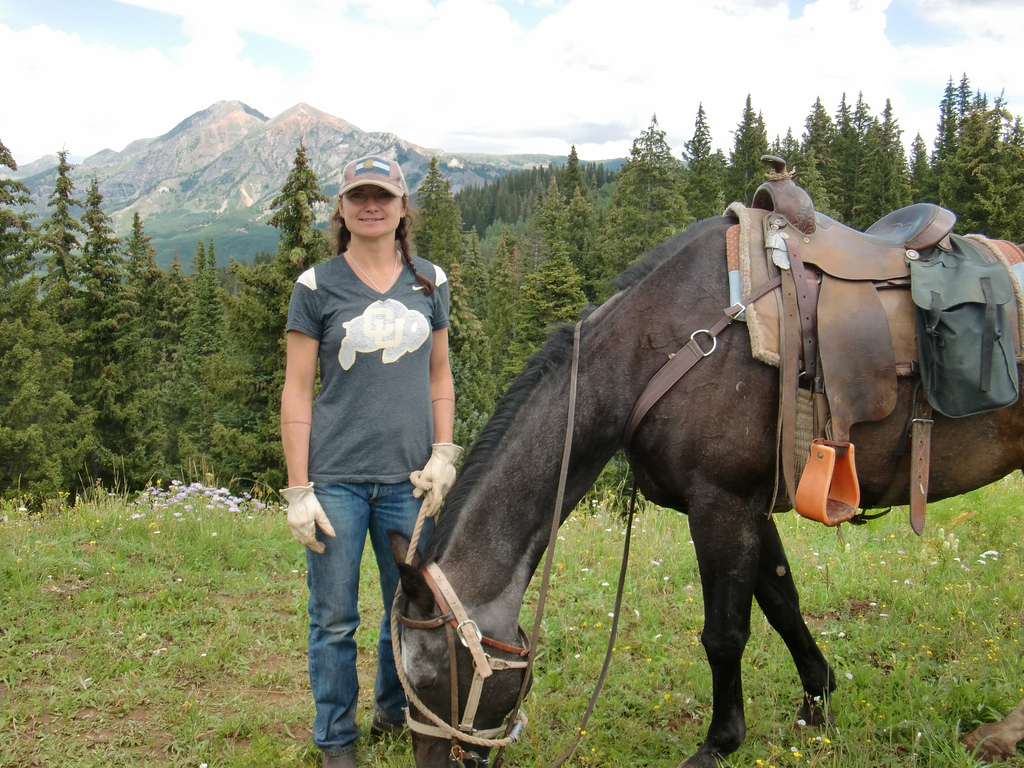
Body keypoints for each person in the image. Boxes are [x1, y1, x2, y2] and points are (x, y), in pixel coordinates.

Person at [279, 154, 462, 768]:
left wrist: (443, 451)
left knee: (405, 610)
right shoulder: (316, 286)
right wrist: (298, 488)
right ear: (342, 208)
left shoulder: (430, 281)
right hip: (335, 481)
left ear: (403, 207)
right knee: (334, 618)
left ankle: (393, 708)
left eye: (382, 196)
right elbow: (298, 389)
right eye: (358, 196)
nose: (371, 206)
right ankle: (335, 739)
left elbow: (440, 375)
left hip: (410, 480)